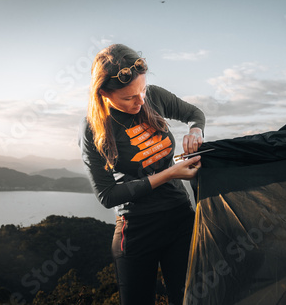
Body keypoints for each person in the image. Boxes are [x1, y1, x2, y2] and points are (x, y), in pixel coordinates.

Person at [78, 44, 205, 305]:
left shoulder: (153, 97)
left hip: (180, 220)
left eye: (142, 90)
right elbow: (107, 195)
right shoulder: (94, 128)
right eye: (129, 98)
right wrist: (170, 174)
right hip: (136, 231)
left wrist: (196, 131)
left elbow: (194, 114)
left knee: (191, 300)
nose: (141, 101)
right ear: (103, 93)